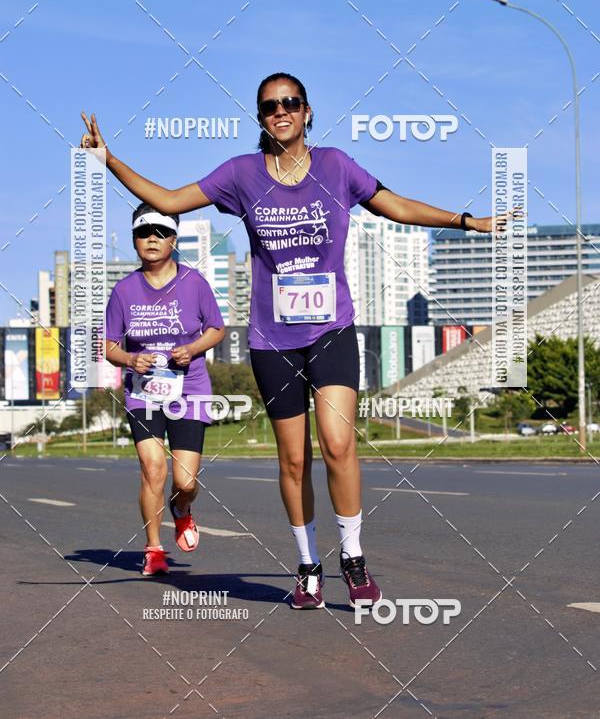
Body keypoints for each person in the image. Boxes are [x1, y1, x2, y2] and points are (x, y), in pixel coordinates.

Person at [81, 71, 496, 605]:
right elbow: (166, 198)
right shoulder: (241, 175)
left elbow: (396, 205)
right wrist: (108, 160)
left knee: (340, 443)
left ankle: (352, 556)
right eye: (270, 105)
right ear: (261, 118)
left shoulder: (336, 167)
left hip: (332, 330)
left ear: (306, 112)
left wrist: (466, 221)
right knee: (294, 459)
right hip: (272, 340)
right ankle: (307, 563)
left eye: (290, 103)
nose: (281, 111)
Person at [104, 202, 225, 576]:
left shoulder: (194, 283)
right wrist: (129, 360)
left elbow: (216, 328)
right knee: (152, 467)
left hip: (190, 390)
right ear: (134, 240)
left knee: (185, 482)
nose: (152, 239)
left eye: (160, 232)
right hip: (144, 392)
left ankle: (182, 509)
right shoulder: (123, 291)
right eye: (144, 233)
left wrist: (193, 348)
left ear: (174, 239)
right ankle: (153, 548)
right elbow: (108, 346)